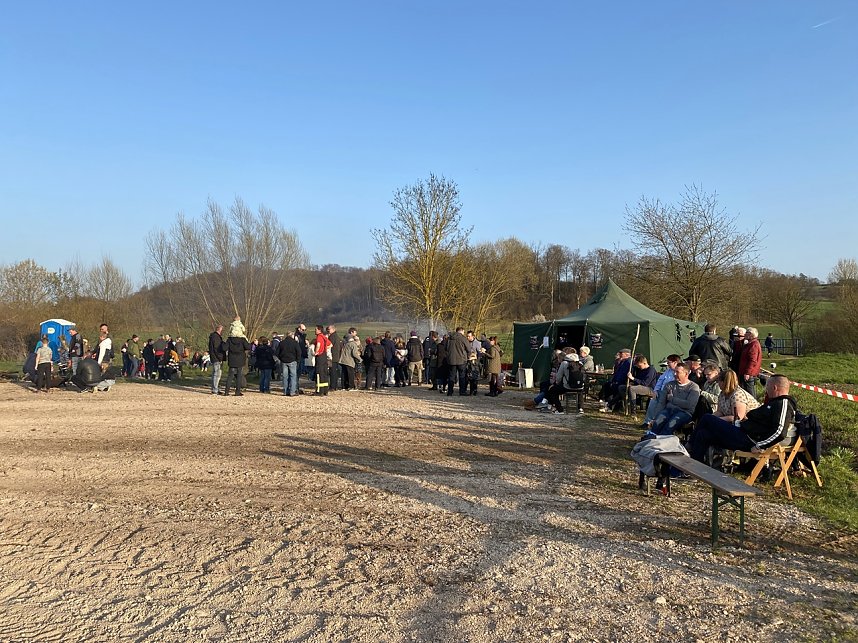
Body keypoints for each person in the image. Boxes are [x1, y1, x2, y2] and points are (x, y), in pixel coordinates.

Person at [689, 375, 796, 464]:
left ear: (775, 388)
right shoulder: (774, 403)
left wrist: (760, 446)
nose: (766, 389)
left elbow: (780, 431)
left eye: (767, 386)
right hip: (743, 433)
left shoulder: (783, 404)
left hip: (750, 440)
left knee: (707, 418)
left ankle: (688, 446)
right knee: (703, 434)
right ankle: (694, 466)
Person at [648, 363, 700, 436]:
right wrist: (655, 417)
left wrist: (672, 399)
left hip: (684, 412)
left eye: (678, 372)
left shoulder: (693, 387)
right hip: (669, 410)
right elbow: (661, 402)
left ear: (686, 374)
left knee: (670, 425)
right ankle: (650, 440)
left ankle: (663, 443)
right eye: (674, 371)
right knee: (657, 423)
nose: (675, 374)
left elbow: (689, 405)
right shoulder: (670, 385)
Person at [641, 354, 682, 426]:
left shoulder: (680, 371)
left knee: (661, 404)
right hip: (661, 392)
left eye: (669, 362)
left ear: (675, 362)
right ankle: (647, 422)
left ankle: (656, 423)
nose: (667, 364)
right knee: (652, 402)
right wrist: (656, 391)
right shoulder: (668, 371)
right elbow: (660, 380)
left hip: (671, 394)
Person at [738, 327, 762, 397]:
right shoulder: (749, 344)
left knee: (750, 393)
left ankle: (754, 406)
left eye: (747, 332)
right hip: (745, 372)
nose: (745, 334)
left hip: (749, 374)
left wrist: (748, 372)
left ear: (751, 334)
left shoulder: (754, 345)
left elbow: (753, 360)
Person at [277, 330, 302, 396]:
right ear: (292, 335)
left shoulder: (282, 343)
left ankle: (285, 391)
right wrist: (297, 360)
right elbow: (299, 352)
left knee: (285, 377)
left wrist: (281, 358)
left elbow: (277, 353)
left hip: (284, 361)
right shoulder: (295, 343)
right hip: (293, 361)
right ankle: (292, 391)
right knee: (293, 376)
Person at [447, 328, 470, 396]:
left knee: (451, 376)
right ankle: (462, 391)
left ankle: (450, 391)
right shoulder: (463, 338)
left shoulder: (449, 338)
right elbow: (468, 348)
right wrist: (468, 356)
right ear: (462, 331)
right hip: (461, 360)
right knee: (462, 376)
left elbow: (446, 348)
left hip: (451, 360)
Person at [208, 324, 227, 394]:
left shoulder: (213, 337)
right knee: (217, 374)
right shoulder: (216, 337)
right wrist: (220, 358)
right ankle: (215, 389)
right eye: (222, 330)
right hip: (217, 358)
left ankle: (215, 388)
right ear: (219, 329)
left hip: (214, 357)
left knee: (215, 373)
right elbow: (217, 348)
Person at [313, 325, 331, 395]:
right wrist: (325, 349)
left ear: (319, 330)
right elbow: (330, 345)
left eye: (315, 329)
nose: (315, 331)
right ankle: (325, 391)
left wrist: (316, 352)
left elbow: (318, 345)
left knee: (319, 373)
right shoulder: (324, 337)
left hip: (320, 356)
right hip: (324, 356)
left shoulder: (319, 337)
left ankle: (319, 391)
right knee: (324, 373)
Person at [326, 325, 342, 391]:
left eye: (328, 329)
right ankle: (334, 386)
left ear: (333, 329)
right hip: (336, 356)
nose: (327, 330)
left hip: (332, 357)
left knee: (332, 372)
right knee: (334, 372)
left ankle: (332, 386)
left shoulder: (332, 337)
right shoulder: (337, 336)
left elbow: (329, 345)